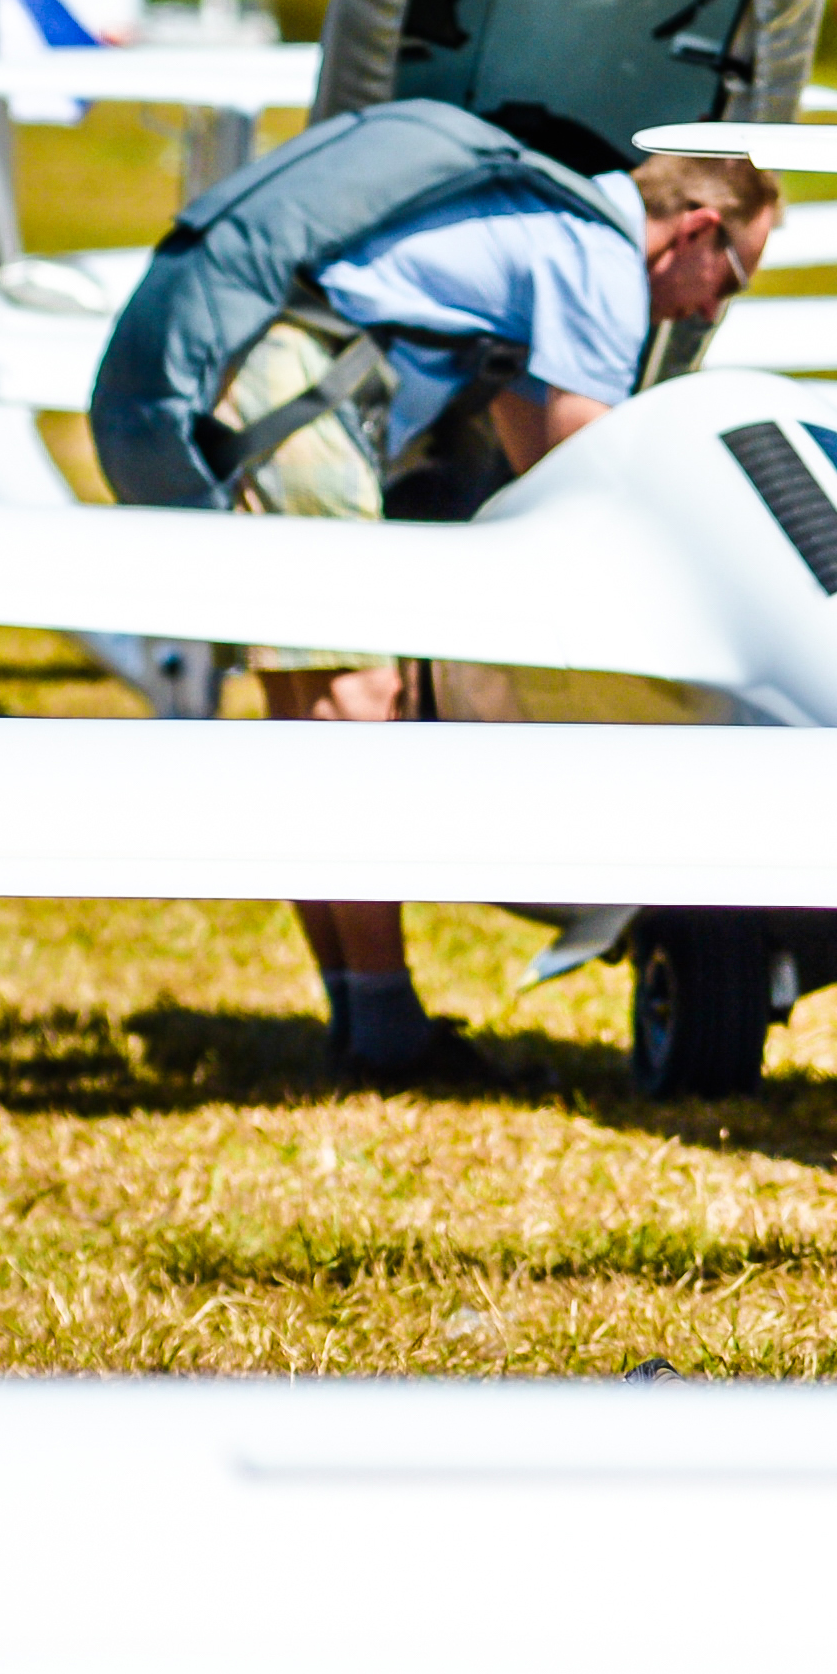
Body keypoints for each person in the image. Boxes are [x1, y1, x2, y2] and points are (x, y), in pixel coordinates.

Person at [230, 146, 783, 1083]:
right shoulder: (602, 258)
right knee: (357, 707)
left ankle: (360, 1015)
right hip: (306, 404)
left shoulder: (561, 230)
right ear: (695, 230)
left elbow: (542, 458)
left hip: (277, 382)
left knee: (309, 718)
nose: (709, 312)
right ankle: (384, 1028)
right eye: (729, 278)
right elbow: (593, 455)